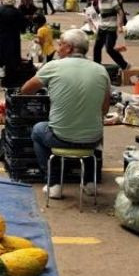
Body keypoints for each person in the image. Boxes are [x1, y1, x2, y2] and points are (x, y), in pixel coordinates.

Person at [19, 29, 111, 200]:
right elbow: (104, 110)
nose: (58, 48)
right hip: (92, 140)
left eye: (60, 44)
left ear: (69, 48)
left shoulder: (53, 66)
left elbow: (25, 90)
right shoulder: (101, 70)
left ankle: (53, 183)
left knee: (38, 129)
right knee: (96, 127)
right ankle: (90, 182)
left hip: (60, 137)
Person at [91, 0, 129, 71]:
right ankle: (96, 66)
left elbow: (120, 12)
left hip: (111, 28)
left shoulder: (112, 0)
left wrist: (120, 25)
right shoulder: (98, 0)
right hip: (101, 27)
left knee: (109, 49)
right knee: (97, 47)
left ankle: (124, 65)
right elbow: (97, 12)